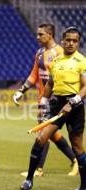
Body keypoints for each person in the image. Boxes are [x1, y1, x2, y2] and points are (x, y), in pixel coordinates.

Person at [20, 27, 86, 190]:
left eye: (74, 40)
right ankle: (29, 179)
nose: (71, 43)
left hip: (75, 107)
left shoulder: (81, 61)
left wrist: (72, 102)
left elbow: (85, 86)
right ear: (63, 41)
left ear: (78, 42)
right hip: (57, 105)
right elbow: (49, 84)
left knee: (77, 147)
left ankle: (84, 187)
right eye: (68, 40)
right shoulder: (56, 62)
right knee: (41, 138)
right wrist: (43, 103)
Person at [13, 23, 78, 177]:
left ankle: (39, 169)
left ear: (50, 35)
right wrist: (21, 91)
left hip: (56, 100)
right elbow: (34, 75)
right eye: (37, 34)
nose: (37, 37)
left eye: (41, 34)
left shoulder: (60, 52)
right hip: (43, 99)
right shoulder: (40, 52)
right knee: (50, 134)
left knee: (45, 133)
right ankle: (74, 160)